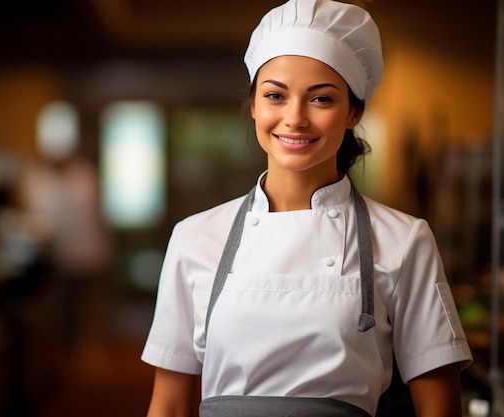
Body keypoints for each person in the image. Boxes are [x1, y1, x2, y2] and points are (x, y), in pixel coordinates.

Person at [141, 1, 473, 416]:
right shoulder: (194, 238)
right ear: (255, 105)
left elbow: (439, 409)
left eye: (321, 99)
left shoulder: (404, 241)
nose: (294, 118)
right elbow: (169, 406)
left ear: (354, 112)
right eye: (275, 96)